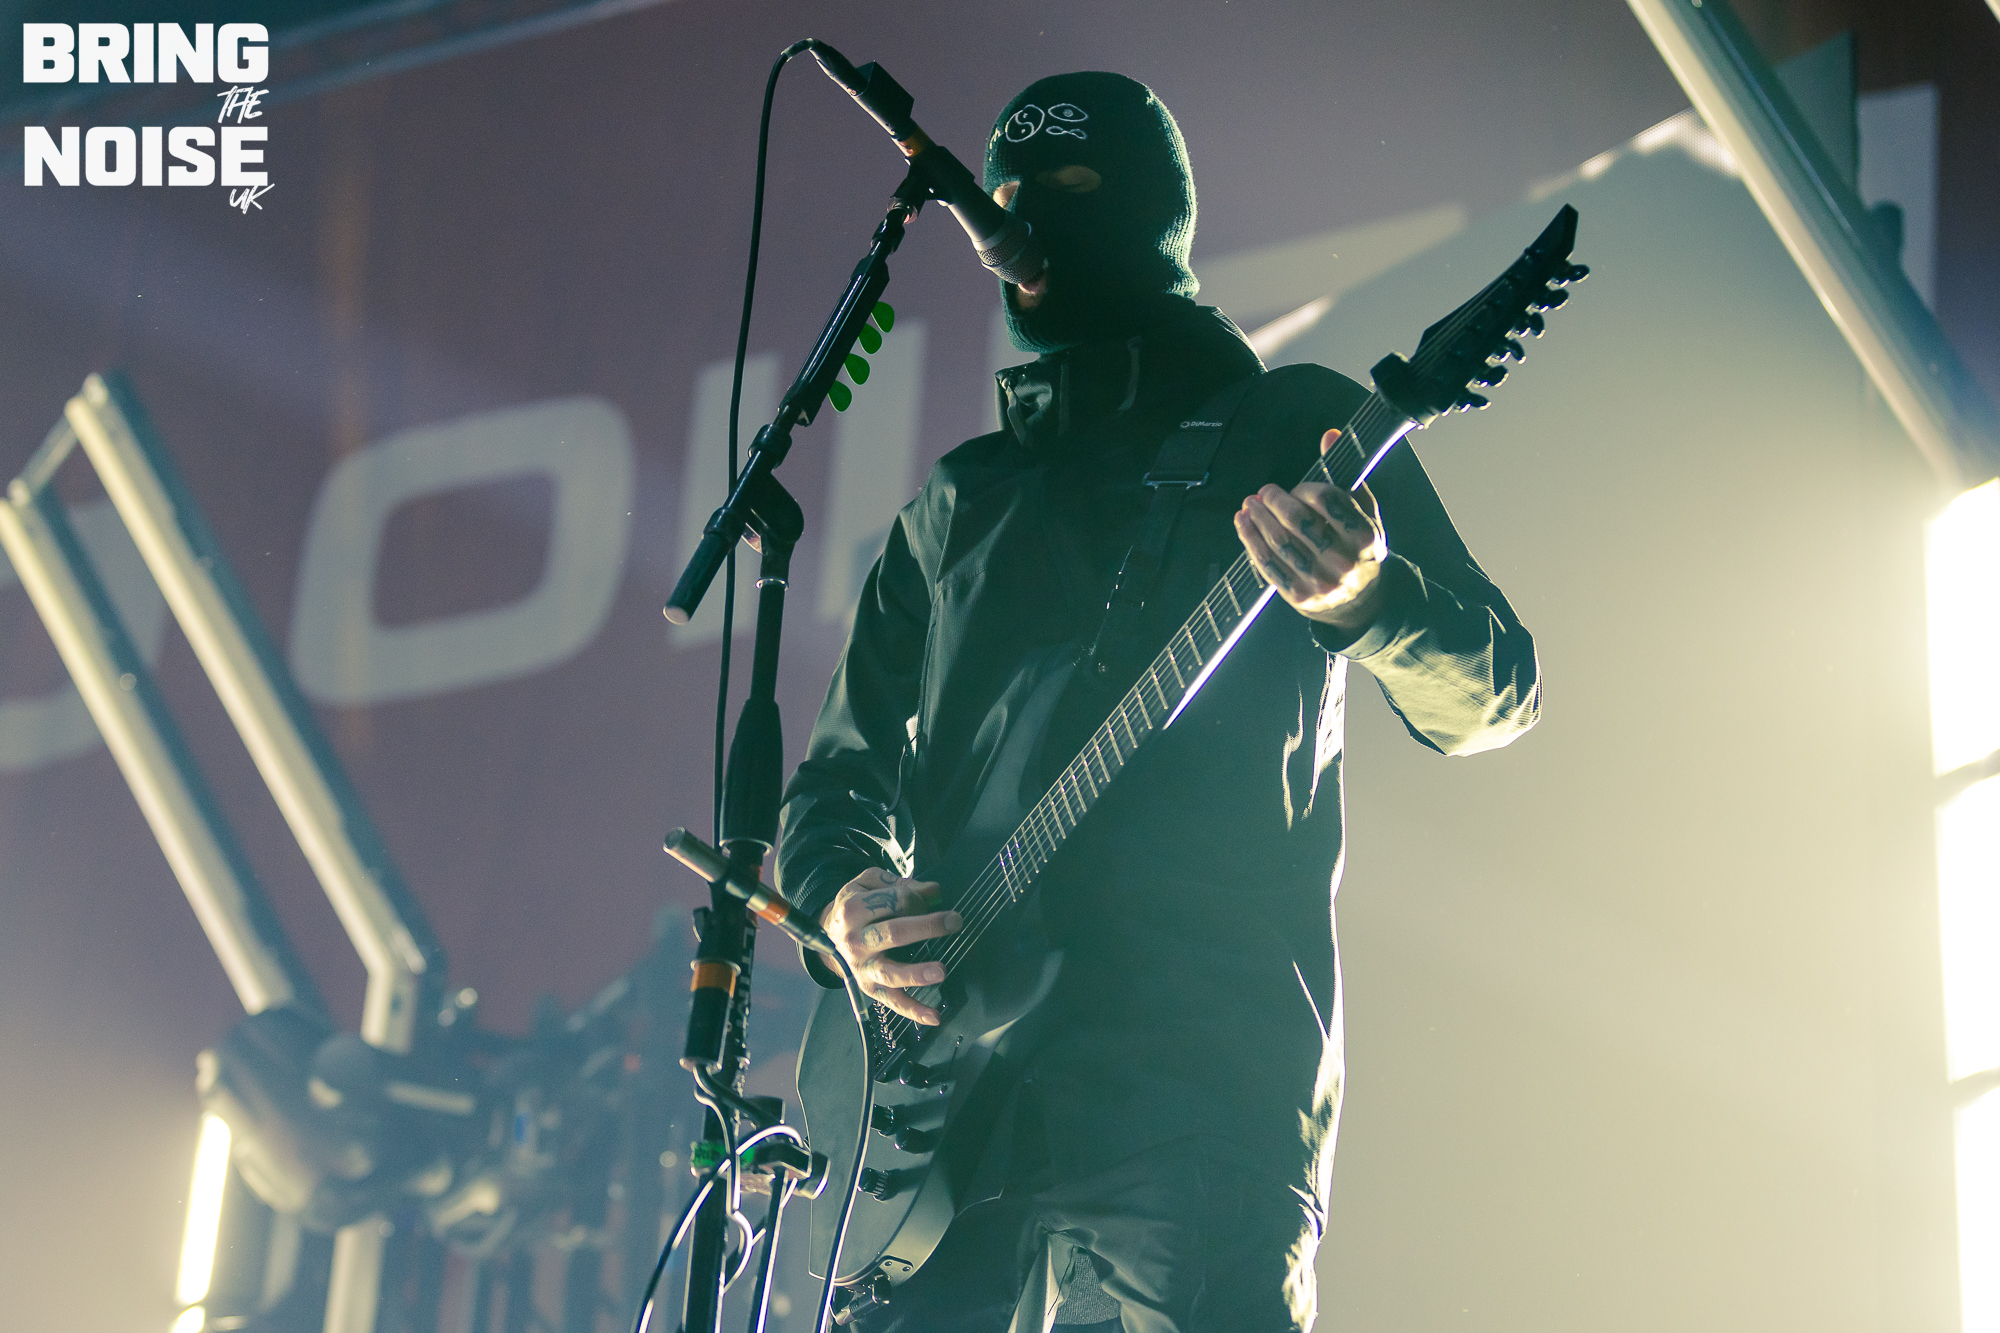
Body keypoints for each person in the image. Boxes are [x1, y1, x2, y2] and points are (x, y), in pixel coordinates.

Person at [775, 71, 1540, 1333]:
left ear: (1148, 214)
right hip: (947, 1111)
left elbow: (1496, 691)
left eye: (1072, 190)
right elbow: (835, 785)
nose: (1026, 222)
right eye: (1006, 197)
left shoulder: (1297, 426)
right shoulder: (958, 504)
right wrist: (842, 900)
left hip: (1197, 1088)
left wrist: (1366, 597)